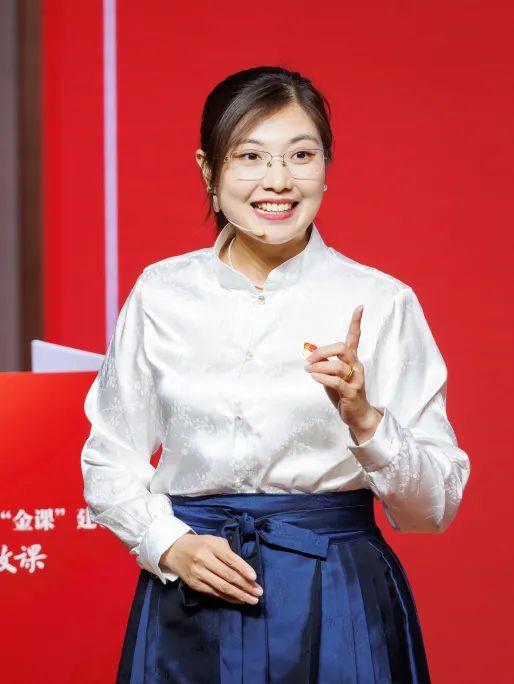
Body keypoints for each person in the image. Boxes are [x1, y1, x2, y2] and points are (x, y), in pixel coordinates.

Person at [80, 66, 471, 684]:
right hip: (192, 590)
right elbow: (109, 456)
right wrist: (166, 542)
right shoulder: (161, 292)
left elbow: (433, 510)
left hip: (337, 594)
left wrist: (366, 420)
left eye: (301, 155)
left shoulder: (382, 301)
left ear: (326, 168)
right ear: (209, 172)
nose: (279, 180)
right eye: (250, 157)